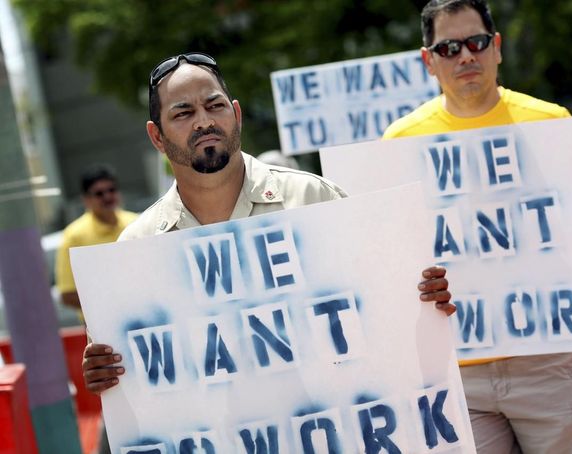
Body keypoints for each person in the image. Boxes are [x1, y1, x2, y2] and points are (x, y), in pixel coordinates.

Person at [82, 53, 454, 396]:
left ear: (236, 115)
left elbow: (383, 300)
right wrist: (106, 371)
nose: (205, 121)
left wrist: (420, 296)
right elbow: (138, 366)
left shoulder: (313, 198)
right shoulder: (137, 246)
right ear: (157, 137)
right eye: (183, 113)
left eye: (215, 105)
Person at [383, 1, 572, 452]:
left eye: (476, 43)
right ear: (428, 60)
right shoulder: (399, 144)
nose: (465, 56)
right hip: (456, 368)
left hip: (551, 360)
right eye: (449, 47)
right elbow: (388, 257)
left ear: (496, 48)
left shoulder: (551, 122)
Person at [56, 165, 137, 313]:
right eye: (99, 193)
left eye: (111, 190)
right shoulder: (74, 236)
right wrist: (111, 306)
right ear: (86, 200)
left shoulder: (137, 223)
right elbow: (67, 295)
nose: (107, 197)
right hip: (101, 327)